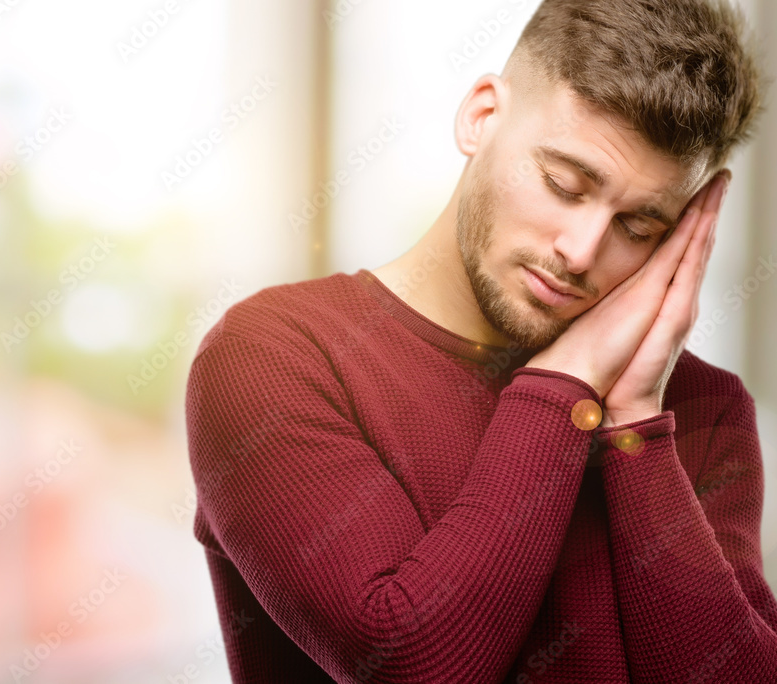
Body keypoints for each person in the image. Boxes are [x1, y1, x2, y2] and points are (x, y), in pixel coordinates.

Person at [184, 0, 777, 681]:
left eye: (639, 226)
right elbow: (411, 662)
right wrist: (569, 382)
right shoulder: (272, 356)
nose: (581, 252)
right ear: (481, 116)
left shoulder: (701, 407)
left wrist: (636, 424)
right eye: (564, 184)